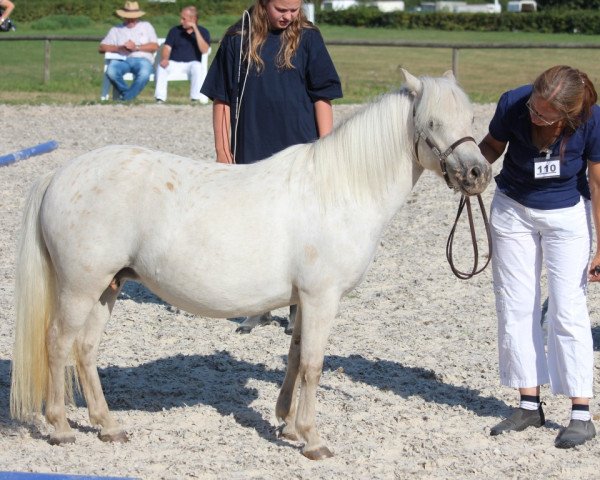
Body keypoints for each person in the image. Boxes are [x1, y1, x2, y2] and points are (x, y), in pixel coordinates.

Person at [200, 0, 342, 332]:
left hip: (299, 149)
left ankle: (296, 308)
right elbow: (221, 99)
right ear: (264, 3)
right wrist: (223, 153)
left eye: (294, 10)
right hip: (251, 147)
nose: (288, 16)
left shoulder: (308, 38)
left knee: (299, 229)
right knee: (254, 230)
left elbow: (322, 96)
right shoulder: (237, 37)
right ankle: (257, 306)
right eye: (281, 8)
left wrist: (328, 148)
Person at [479, 65, 600, 449]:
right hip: (512, 209)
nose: (533, 113)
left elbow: (598, 181)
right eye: (534, 104)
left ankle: (581, 413)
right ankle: (528, 403)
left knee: (567, 309)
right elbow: (492, 147)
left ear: (566, 115)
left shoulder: (592, 119)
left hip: (566, 215)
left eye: (543, 113)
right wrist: (469, 168)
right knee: (515, 306)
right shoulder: (514, 102)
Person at [99, 1, 158, 101]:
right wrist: (118, 48)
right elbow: (101, 47)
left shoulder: (146, 26)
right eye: (128, 17)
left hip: (142, 59)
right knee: (111, 71)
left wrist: (136, 47)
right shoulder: (116, 29)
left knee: (144, 74)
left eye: (134, 17)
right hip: (121, 59)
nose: (131, 19)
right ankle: (128, 97)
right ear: (124, 16)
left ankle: (125, 99)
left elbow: (155, 46)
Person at [154, 6, 210, 104]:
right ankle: (160, 98)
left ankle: (194, 99)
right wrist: (165, 59)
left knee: (197, 67)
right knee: (161, 66)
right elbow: (166, 48)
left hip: (192, 64)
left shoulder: (203, 32)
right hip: (174, 63)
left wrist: (195, 30)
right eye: (181, 18)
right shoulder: (174, 31)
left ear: (193, 19)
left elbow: (204, 50)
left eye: (184, 19)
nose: (181, 21)